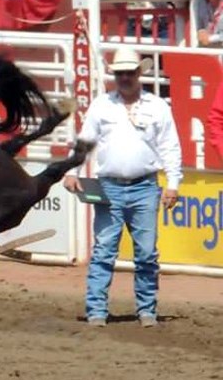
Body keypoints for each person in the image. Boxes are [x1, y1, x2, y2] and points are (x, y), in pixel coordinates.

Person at [63, 47, 182, 328]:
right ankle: (97, 310)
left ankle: (146, 309)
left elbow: (170, 146)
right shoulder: (101, 105)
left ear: (139, 73)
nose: (125, 77)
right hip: (110, 186)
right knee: (105, 250)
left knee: (146, 252)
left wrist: (173, 183)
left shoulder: (157, 107)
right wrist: (72, 170)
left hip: (144, 186)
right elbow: (86, 139)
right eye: (120, 73)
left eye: (129, 72)